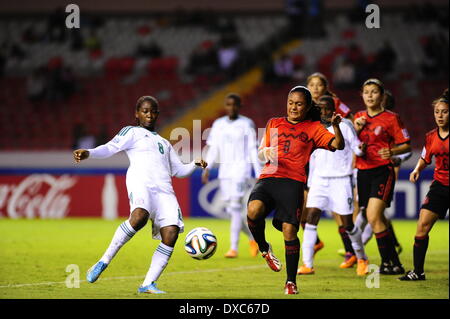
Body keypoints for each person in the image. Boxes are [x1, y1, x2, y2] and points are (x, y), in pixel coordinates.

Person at [73, 96, 207, 294]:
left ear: (158, 114)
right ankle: (103, 261)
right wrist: (89, 153)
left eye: (153, 111)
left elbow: (178, 171)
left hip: (165, 190)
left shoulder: (164, 143)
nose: (149, 115)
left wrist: (194, 164)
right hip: (141, 183)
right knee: (139, 217)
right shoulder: (132, 132)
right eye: (145, 111)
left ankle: (148, 284)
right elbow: (111, 147)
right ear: (137, 113)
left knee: (170, 233)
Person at [246, 86, 344, 294]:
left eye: (299, 104)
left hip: (293, 182)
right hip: (269, 176)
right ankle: (264, 248)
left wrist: (336, 127)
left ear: (307, 106)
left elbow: (338, 145)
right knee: (253, 210)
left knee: (290, 231)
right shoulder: (274, 122)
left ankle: (291, 282)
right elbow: (261, 153)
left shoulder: (314, 128)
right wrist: (266, 152)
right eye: (291, 102)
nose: (293, 107)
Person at [298, 95, 369, 276]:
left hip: (341, 180)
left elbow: (357, 148)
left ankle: (361, 257)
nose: (324, 111)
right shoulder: (312, 128)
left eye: (327, 108)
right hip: (319, 181)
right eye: (320, 108)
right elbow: (311, 158)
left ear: (333, 110)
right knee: (310, 218)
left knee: (348, 225)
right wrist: (310, 183)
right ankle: (307, 264)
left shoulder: (345, 126)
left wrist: (364, 147)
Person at [353, 78, 411, 275]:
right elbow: (350, 143)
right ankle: (393, 263)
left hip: (381, 171)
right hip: (362, 171)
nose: (369, 95)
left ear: (382, 95)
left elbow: (406, 145)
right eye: (366, 92)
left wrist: (392, 151)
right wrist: (356, 130)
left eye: (374, 92)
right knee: (375, 217)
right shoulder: (359, 117)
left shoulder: (391, 118)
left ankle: (389, 262)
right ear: (362, 95)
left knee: (372, 215)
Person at [202, 93, 261, 258]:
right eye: (228, 104)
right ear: (225, 106)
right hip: (225, 172)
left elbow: (252, 149)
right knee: (232, 211)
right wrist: (207, 167)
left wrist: (258, 173)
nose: (231, 107)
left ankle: (233, 248)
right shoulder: (218, 124)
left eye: (235, 104)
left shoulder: (246, 123)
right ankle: (253, 238)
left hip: (240, 170)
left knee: (235, 207)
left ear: (239, 106)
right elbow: (213, 148)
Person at [399, 96, 449, 281]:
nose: (440, 116)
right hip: (440, 186)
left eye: (444, 111)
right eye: (437, 112)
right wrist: (416, 169)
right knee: (422, 227)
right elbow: (425, 156)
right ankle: (418, 272)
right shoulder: (431, 136)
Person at [305, 72, 354, 258]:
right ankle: (314, 244)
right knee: (304, 209)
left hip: (333, 161)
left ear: (326, 87)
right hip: (311, 161)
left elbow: (351, 120)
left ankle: (351, 250)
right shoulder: (304, 104)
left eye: (319, 85)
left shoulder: (334, 103)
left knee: (339, 213)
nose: (315, 88)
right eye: (312, 84)